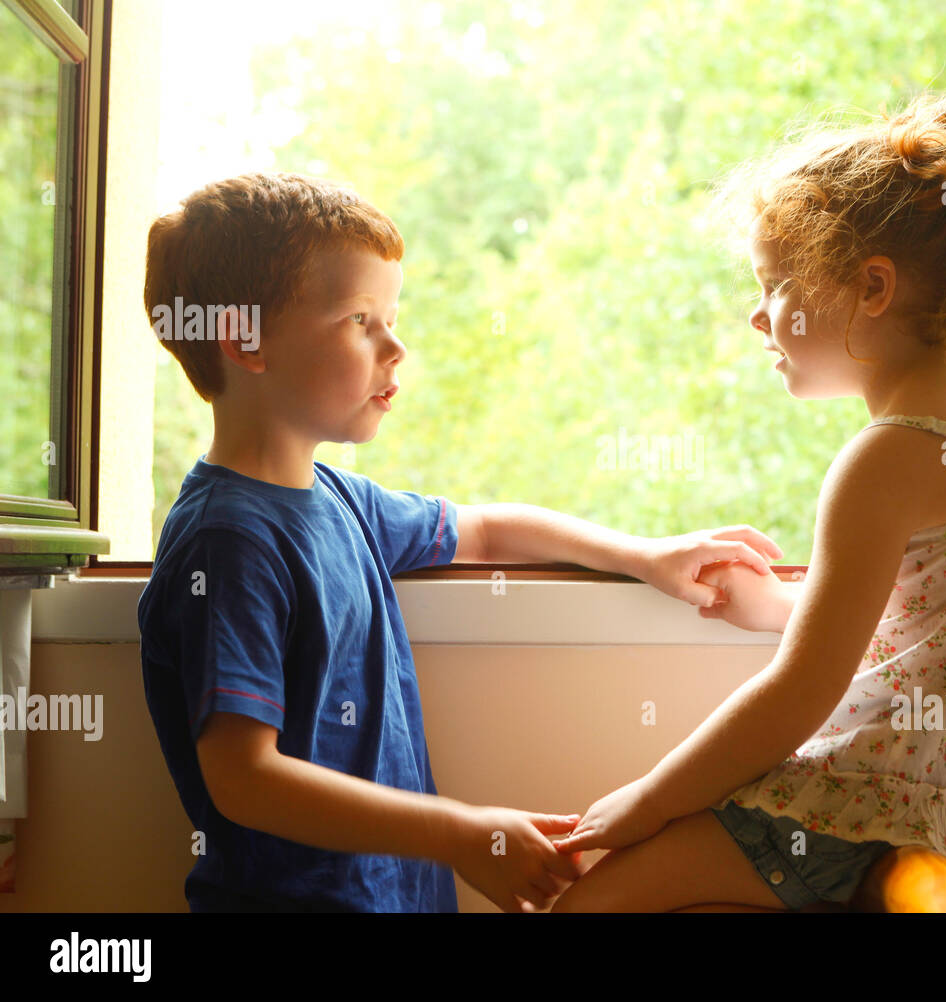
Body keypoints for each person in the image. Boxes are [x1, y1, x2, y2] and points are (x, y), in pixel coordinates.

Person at [551, 90, 946, 912]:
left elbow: (799, 693)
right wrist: (778, 607)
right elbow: (935, 622)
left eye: (777, 285)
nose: (759, 316)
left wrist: (648, 801)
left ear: (872, 287)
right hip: (913, 813)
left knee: (581, 906)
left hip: (847, 815)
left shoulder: (887, 455)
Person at [137, 172, 782, 913]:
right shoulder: (228, 544)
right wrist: (462, 834)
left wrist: (646, 556)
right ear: (246, 343)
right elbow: (244, 778)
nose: (397, 346)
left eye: (392, 316)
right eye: (360, 320)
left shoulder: (341, 501)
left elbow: (486, 528)